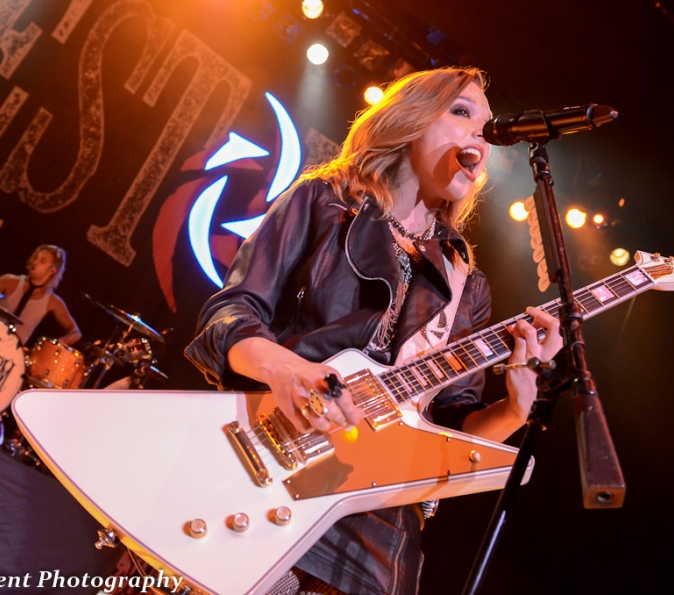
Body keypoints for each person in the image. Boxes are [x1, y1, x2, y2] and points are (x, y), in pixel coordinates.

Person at [184, 66, 562, 595]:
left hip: (375, 539)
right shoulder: (324, 201)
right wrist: (288, 371)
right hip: (260, 472)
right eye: (462, 112)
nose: (481, 135)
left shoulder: (466, 284)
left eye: (487, 129)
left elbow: (450, 434)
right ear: (409, 118)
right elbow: (230, 314)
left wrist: (515, 409)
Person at [0, 244, 81, 347]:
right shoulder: (9, 281)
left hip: (11, 354)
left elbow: (76, 332)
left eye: (42, 261)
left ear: (52, 271)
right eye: (36, 258)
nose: (35, 262)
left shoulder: (53, 301)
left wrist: (62, 341)